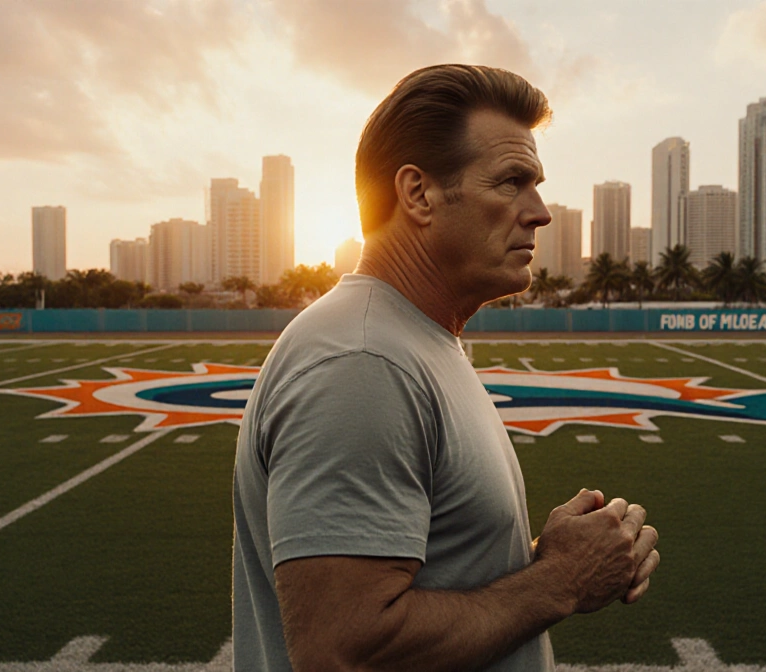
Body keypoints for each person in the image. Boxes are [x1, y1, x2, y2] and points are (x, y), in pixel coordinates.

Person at [232, 64, 660, 671]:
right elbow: (341, 651)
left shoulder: (413, 340)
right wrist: (559, 581)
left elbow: (434, 575)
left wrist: (547, 560)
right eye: (512, 182)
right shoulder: (364, 363)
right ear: (418, 194)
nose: (540, 211)